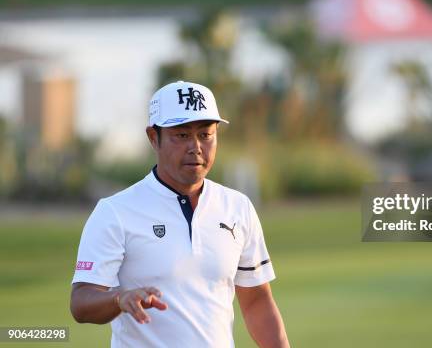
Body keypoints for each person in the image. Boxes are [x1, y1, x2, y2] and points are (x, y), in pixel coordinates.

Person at [70, 81, 290, 347]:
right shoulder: (115, 212)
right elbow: (81, 302)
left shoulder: (237, 207)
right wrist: (119, 298)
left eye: (205, 135)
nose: (196, 147)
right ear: (154, 138)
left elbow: (256, 302)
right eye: (182, 135)